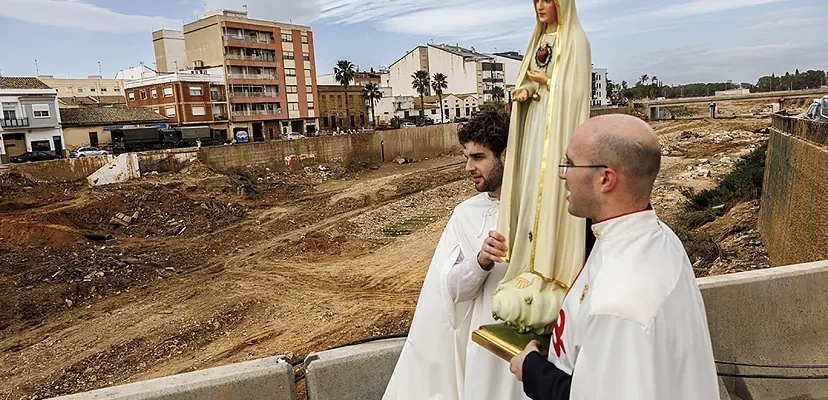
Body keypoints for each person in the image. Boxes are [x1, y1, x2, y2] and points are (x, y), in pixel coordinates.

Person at [507, 114, 719, 399]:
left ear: (605, 178)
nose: (562, 175)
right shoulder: (659, 237)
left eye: (569, 164)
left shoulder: (619, 301)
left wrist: (532, 370)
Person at [383, 110, 527, 400]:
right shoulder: (465, 214)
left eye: (479, 157)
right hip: (486, 348)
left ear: (507, 155)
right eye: (466, 157)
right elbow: (451, 290)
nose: (469, 167)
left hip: (534, 348)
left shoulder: (539, 208)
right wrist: (480, 261)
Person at [492, 0, 594, 334]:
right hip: (537, 133)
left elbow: (575, 91)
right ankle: (527, 267)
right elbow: (535, 83)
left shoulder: (574, 39)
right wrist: (525, 90)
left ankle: (551, 272)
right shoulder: (537, 39)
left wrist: (549, 83)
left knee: (549, 192)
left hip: (557, 133)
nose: (539, 6)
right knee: (531, 188)